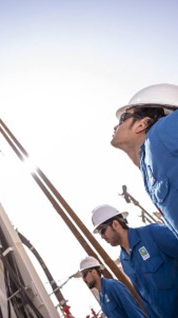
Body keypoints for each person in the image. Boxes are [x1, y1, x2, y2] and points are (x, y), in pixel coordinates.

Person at [110, 83, 178, 237]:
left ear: (143, 123)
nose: (115, 126)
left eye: (123, 118)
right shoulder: (149, 168)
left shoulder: (160, 133)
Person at [91, 204, 178, 318]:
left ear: (115, 224)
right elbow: (147, 300)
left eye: (102, 230)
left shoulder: (153, 233)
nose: (102, 237)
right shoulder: (124, 261)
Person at [78, 255, 146, 318]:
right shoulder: (102, 298)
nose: (84, 279)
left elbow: (133, 311)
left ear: (94, 272)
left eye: (84, 275)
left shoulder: (112, 286)